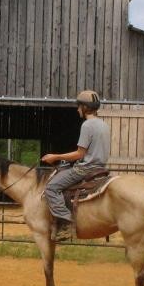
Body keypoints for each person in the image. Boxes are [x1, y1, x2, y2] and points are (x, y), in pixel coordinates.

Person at [41, 90, 111, 242]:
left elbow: (80, 154)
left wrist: (56, 156)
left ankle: (65, 223)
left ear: (85, 107)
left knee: (52, 187)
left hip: (85, 169)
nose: (77, 109)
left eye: (79, 106)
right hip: (100, 168)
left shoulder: (87, 125)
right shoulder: (104, 125)